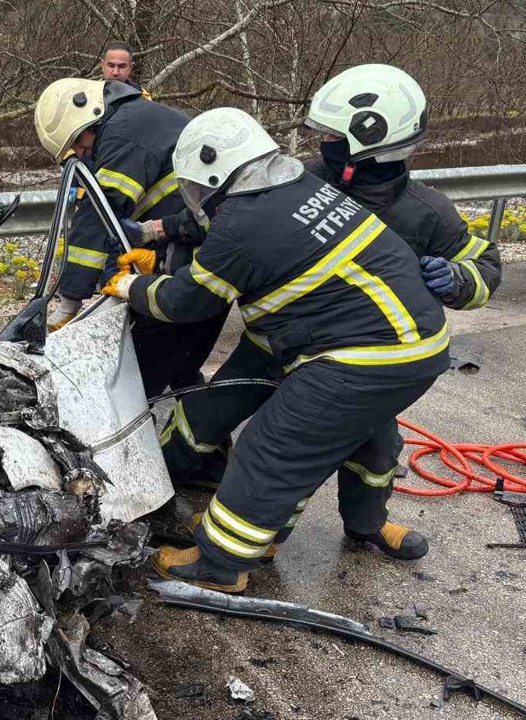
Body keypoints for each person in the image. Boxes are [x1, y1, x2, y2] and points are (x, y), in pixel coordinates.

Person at [104, 107, 449, 592]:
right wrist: (157, 234)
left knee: (274, 447)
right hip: (413, 348)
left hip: (358, 357)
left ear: (214, 177)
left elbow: (185, 302)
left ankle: (221, 564)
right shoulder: (299, 187)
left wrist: (130, 285)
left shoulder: (243, 224)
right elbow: (226, 229)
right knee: (366, 438)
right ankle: (326, 527)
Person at [144, 65, 502, 525]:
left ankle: (366, 525)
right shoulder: (304, 177)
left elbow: (487, 267)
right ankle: (160, 486)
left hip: (354, 357)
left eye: (333, 135)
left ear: (367, 141)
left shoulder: (426, 212)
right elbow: (229, 215)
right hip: (274, 338)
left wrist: (457, 280)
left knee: (373, 448)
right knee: (206, 412)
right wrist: (160, 229)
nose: (323, 144)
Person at [34, 77, 224, 396]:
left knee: (132, 385)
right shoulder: (137, 119)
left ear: (89, 116)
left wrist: (69, 300)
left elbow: (99, 212)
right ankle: (203, 441)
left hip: (196, 268)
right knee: (181, 373)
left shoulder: (122, 134)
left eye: (79, 143)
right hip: (208, 257)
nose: (80, 153)